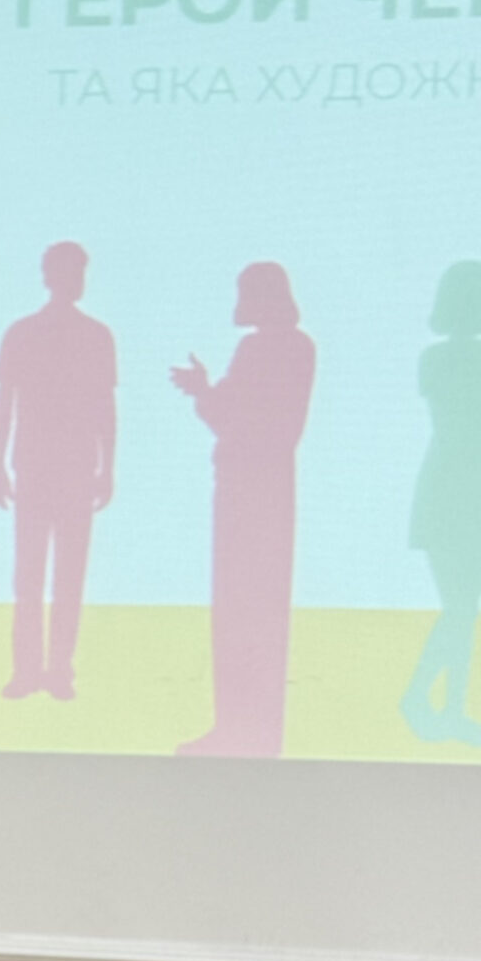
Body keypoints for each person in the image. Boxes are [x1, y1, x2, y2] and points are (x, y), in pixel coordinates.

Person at [169, 262, 316, 758]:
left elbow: (234, 419)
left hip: (249, 489)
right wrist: (207, 391)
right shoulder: (295, 347)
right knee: (252, 610)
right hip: (265, 488)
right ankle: (247, 729)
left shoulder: (265, 349)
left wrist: (204, 392)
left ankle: (242, 729)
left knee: (243, 609)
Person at [0, 241, 117, 700]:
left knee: (69, 576)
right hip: (34, 467)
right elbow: (5, 404)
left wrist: (107, 465)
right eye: (70, 271)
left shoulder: (97, 336)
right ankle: (27, 670)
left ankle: (60, 670)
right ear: (51, 276)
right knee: (28, 577)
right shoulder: (22, 333)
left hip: (77, 470)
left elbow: (105, 407)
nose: (76, 279)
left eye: (80, 271)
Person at [401, 259, 481, 749]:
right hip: (475, 488)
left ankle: (447, 710)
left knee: (462, 608)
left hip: (448, 485)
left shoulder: (433, 359)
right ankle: (425, 701)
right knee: (464, 608)